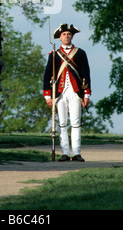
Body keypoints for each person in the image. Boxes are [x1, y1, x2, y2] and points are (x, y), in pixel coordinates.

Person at [43, 23, 91, 162]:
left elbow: (86, 74)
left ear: (72, 36)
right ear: (60, 37)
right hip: (59, 93)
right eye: (64, 34)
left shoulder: (80, 53)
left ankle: (76, 153)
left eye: (69, 34)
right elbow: (47, 76)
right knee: (62, 123)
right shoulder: (54, 54)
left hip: (76, 92)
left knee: (76, 123)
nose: (67, 36)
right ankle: (65, 153)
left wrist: (86, 94)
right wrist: (47, 96)